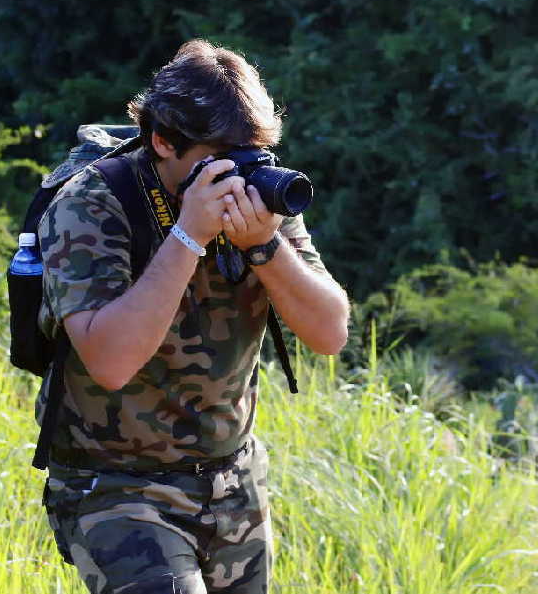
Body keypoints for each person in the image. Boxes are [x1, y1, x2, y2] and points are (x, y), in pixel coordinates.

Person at [37, 39, 349, 594]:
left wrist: (263, 246)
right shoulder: (94, 203)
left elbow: (329, 333)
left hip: (231, 481)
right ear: (162, 140)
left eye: (252, 154)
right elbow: (109, 362)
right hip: (113, 482)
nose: (240, 172)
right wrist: (189, 235)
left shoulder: (259, 197)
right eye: (219, 157)